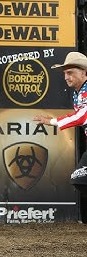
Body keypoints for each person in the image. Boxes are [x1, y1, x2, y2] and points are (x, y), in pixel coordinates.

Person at [33, 52, 87, 184]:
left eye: (70, 73)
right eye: (64, 73)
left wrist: (50, 121)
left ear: (83, 73)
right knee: (80, 181)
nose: (65, 77)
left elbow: (82, 117)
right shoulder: (79, 92)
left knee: (79, 180)